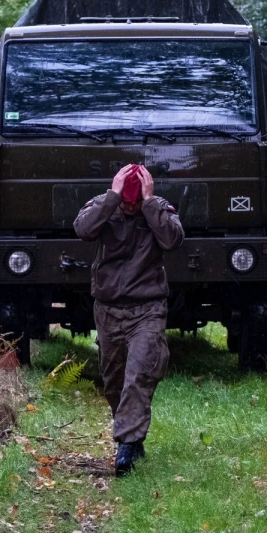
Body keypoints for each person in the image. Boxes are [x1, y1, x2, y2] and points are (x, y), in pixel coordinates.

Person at [73, 163, 184, 475]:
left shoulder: (158, 209)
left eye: (136, 202)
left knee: (139, 373)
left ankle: (126, 446)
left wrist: (149, 204)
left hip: (147, 308)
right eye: (128, 202)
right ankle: (132, 439)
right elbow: (82, 229)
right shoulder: (104, 206)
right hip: (108, 309)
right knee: (114, 381)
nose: (131, 207)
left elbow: (173, 240)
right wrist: (112, 199)